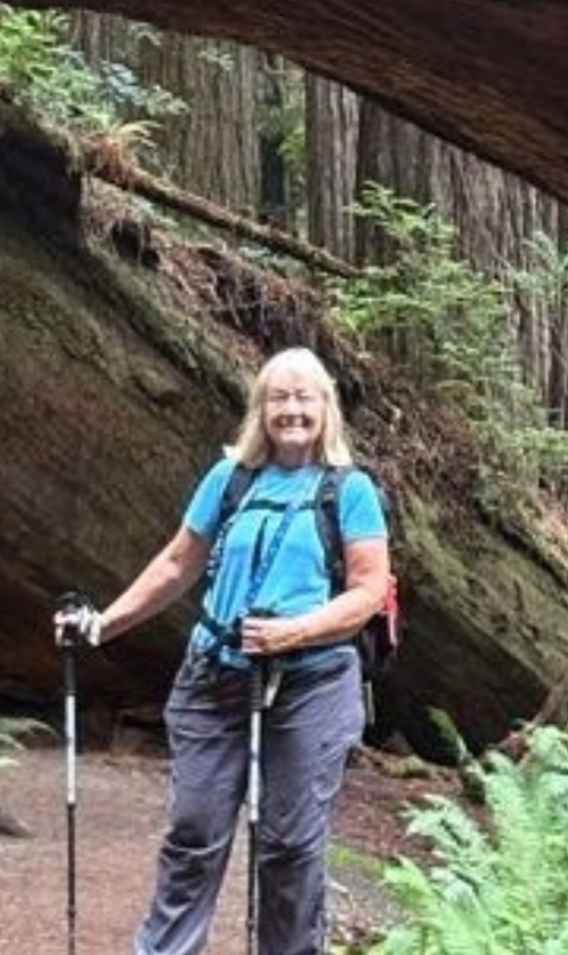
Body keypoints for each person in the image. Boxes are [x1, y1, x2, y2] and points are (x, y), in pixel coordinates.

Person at [55, 346, 391, 955]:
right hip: (215, 677)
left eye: (304, 397)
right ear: (260, 409)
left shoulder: (351, 489)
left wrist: (296, 632)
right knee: (194, 832)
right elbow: (178, 562)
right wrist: (104, 624)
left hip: (310, 686)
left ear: (326, 408)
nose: (291, 409)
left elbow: (369, 591)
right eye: (279, 398)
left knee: (289, 847)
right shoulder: (230, 479)